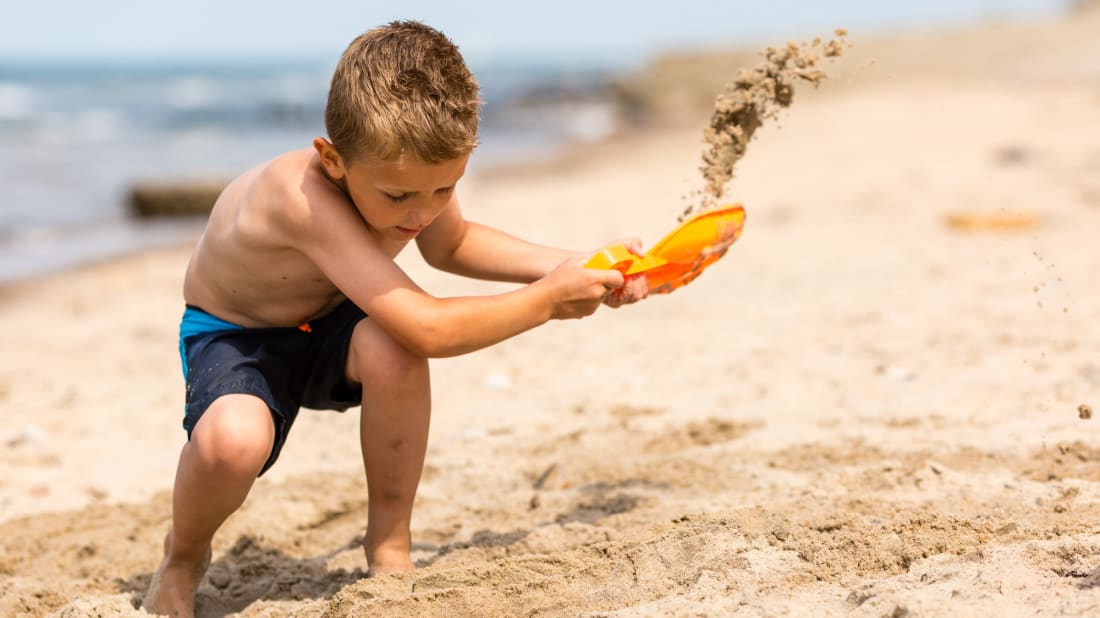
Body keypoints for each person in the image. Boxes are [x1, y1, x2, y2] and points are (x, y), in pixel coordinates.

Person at [142, 20, 648, 616]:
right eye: (399, 197)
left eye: (443, 189)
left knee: (392, 349)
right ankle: (183, 556)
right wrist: (546, 302)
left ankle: (388, 542)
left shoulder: (412, 170)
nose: (421, 213)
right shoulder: (300, 199)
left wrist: (575, 266)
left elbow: (451, 246)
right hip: (239, 334)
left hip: (331, 318)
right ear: (333, 161)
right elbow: (427, 325)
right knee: (232, 444)